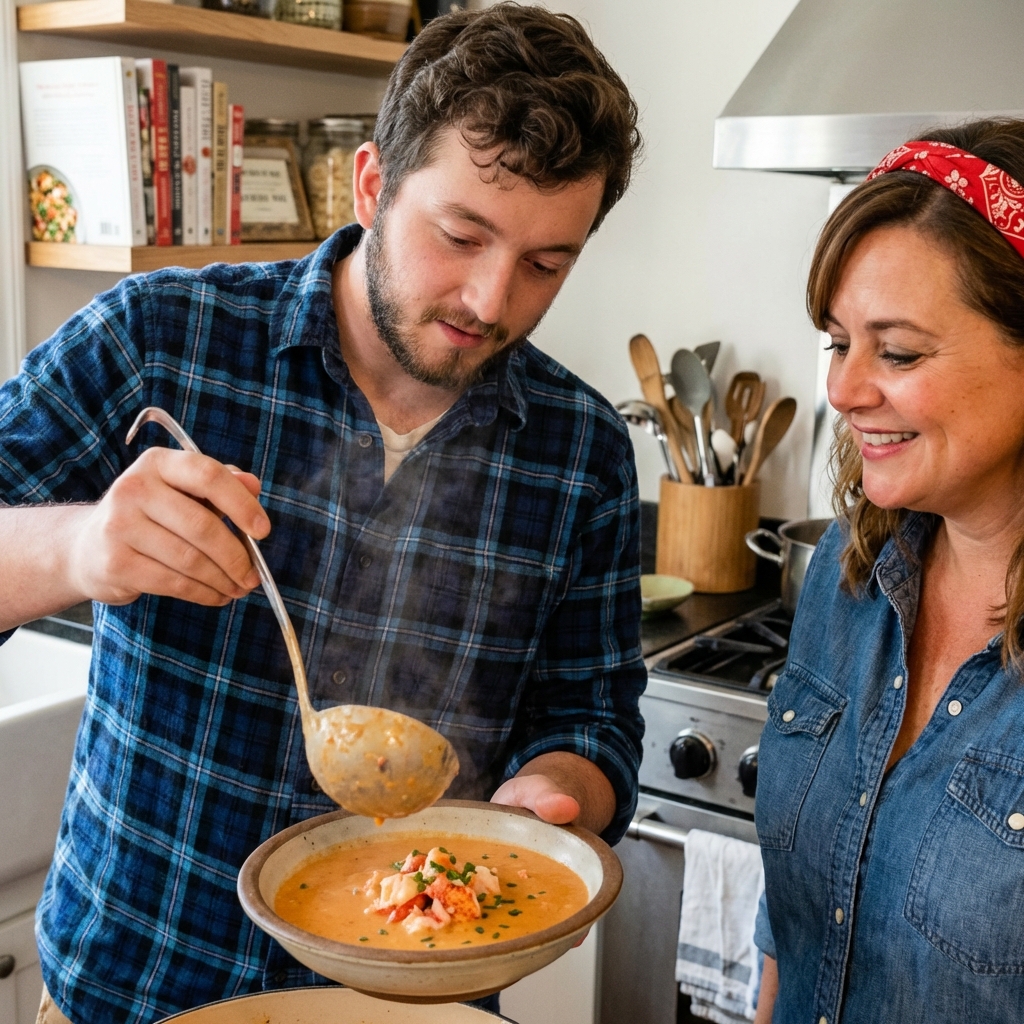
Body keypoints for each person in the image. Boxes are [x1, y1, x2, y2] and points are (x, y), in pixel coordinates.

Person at [0, 6, 646, 1022]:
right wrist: (77, 544)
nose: (491, 298)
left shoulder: (583, 453)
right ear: (372, 184)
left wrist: (549, 802)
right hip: (137, 993)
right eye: (462, 235)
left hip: (416, 999)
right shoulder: (157, 340)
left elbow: (592, 721)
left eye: (545, 263)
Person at [753, 117, 1024, 1024]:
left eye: (897, 352)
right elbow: (793, 924)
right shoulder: (848, 570)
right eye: (839, 342)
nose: (841, 388)